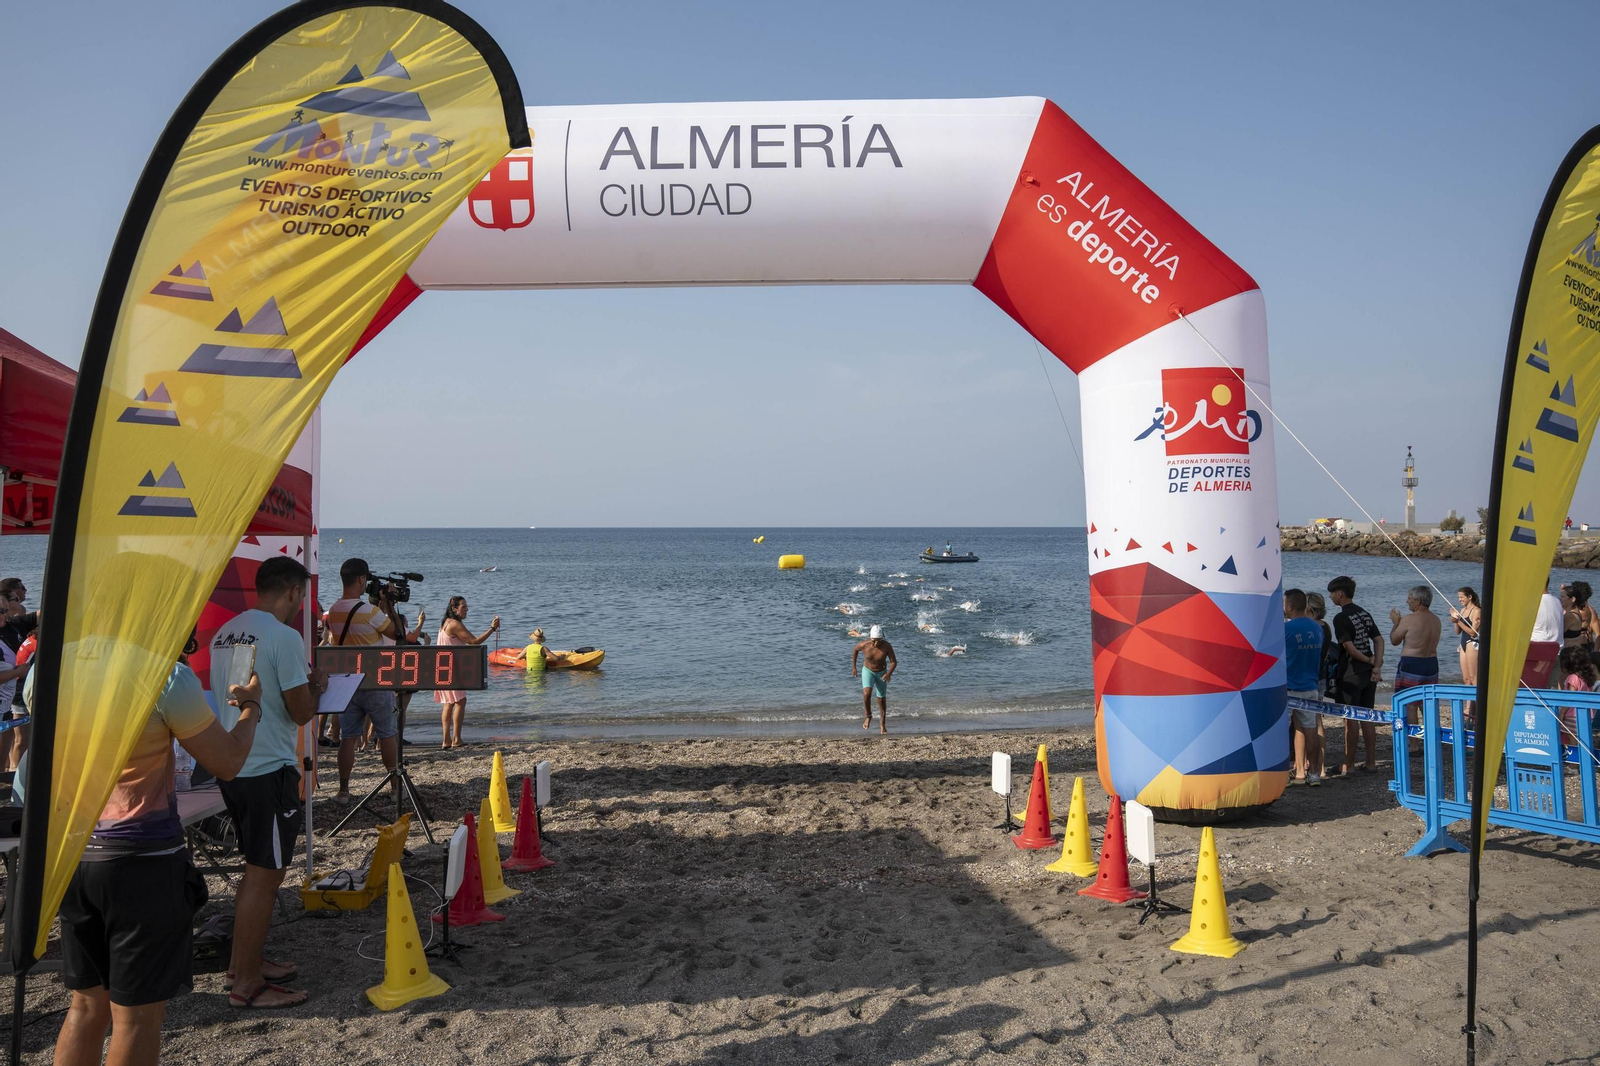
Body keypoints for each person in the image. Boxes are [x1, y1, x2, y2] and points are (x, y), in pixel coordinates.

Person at [51, 638, 263, 1066]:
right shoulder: (163, 675)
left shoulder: (51, 665)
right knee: (136, 1020)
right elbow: (227, 761)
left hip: (74, 853)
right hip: (141, 859)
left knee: (86, 1007)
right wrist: (251, 707)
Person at [210, 556, 325, 1009]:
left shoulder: (227, 632)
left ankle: (243, 963)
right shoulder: (284, 636)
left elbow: (240, 695)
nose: (300, 605)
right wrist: (317, 686)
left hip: (234, 762)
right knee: (265, 876)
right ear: (293, 591)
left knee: (255, 870)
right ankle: (247, 984)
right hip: (268, 768)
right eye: (301, 597)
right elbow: (301, 712)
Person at [322, 559, 402, 799]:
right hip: (374, 680)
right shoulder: (370, 612)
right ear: (360, 579)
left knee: (348, 738)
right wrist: (390, 603)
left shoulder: (333, 610)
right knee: (387, 735)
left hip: (347, 682)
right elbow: (397, 633)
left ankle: (343, 790)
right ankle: (395, 789)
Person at [1327, 575, 1382, 775]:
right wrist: (1376, 664)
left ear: (1340, 594)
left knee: (1350, 719)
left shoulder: (1340, 618)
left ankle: (1348, 764)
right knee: (1367, 716)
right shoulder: (1364, 613)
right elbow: (1379, 639)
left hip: (1351, 673)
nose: (1331, 597)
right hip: (1368, 674)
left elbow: (1349, 647)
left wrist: (1368, 661)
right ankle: (1371, 762)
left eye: (1332, 593)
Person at [435, 596, 499, 748]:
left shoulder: (445, 623)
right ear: (454, 609)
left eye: (466, 607)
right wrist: (492, 629)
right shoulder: (454, 624)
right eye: (463, 607)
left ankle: (446, 740)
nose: (467, 610)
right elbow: (474, 641)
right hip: (452, 668)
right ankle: (456, 739)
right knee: (460, 701)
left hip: (443, 667)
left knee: (448, 703)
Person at [1282, 589, 1324, 785]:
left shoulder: (1286, 629)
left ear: (1289, 606)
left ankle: (1281, 773)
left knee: (1281, 732)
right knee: (1310, 729)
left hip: (1289, 687)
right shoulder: (1317, 628)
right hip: (1310, 685)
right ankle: (1314, 773)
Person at [1389, 585, 1442, 726]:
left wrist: (1396, 623)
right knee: (1427, 702)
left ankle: (1413, 739)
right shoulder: (1436, 619)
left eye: (1409, 598)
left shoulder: (1409, 619)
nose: (1407, 601)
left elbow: (1394, 640)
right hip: (1431, 663)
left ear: (1418, 601)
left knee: (1410, 703)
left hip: (1412, 663)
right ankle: (1431, 735)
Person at [0, 578, 38, 771]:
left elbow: (41, 614)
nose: (4, 615)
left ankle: (7, 776)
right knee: (18, 739)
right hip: (10, 694)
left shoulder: (12, 625)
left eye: (5, 611)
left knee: (6, 743)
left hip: (8, 700)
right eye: (1, 611)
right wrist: (17, 672)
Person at [851, 625, 896, 734]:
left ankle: (882, 724)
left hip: (882, 673)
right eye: (874, 640)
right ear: (870, 638)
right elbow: (855, 650)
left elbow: (894, 662)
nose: (876, 643)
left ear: (882, 638)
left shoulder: (887, 646)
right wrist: (854, 667)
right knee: (867, 694)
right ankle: (868, 716)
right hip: (868, 671)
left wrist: (889, 674)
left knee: (881, 699)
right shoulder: (864, 645)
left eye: (879, 640)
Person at [1450, 587, 1482, 719]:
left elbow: (1473, 632)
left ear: (1470, 597)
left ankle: (1477, 707)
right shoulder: (1463, 610)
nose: (1459, 600)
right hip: (1463, 643)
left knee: (1474, 678)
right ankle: (1469, 706)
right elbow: (1457, 632)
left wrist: (1458, 621)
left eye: (1461, 597)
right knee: (1466, 678)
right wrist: (1455, 619)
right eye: (1459, 597)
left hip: (1472, 643)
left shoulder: (1477, 611)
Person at [1558, 645, 1600, 744]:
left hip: (1572, 716)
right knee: (1584, 741)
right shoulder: (1586, 677)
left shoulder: (1572, 678)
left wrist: (1562, 713)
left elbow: (1571, 698)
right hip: (1587, 714)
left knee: (1573, 742)